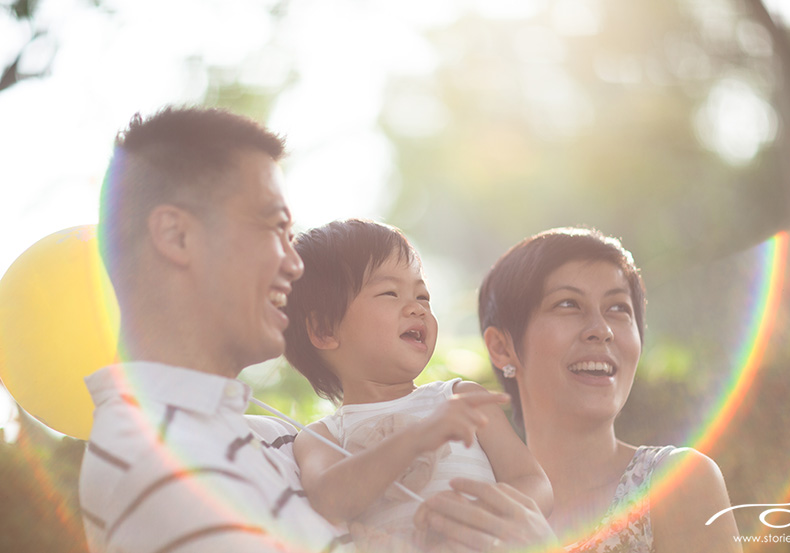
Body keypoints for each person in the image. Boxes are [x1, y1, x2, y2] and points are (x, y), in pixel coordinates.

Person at [79, 106, 348, 553]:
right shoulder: (162, 465)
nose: (295, 262)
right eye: (275, 227)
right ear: (177, 236)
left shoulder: (267, 438)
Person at [283, 218, 554, 551]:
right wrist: (417, 437)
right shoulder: (322, 436)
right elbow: (329, 498)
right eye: (390, 293)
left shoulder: (460, 399)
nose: (417, 309)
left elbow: (532, 480)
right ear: (325, 329)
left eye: (423, 296)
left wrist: (485, 516)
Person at [477, 227, 743, 552]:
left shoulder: (676, 484)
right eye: (568, 304)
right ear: (502, 347)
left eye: (618, 308)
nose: (601, 330)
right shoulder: (471, 512)